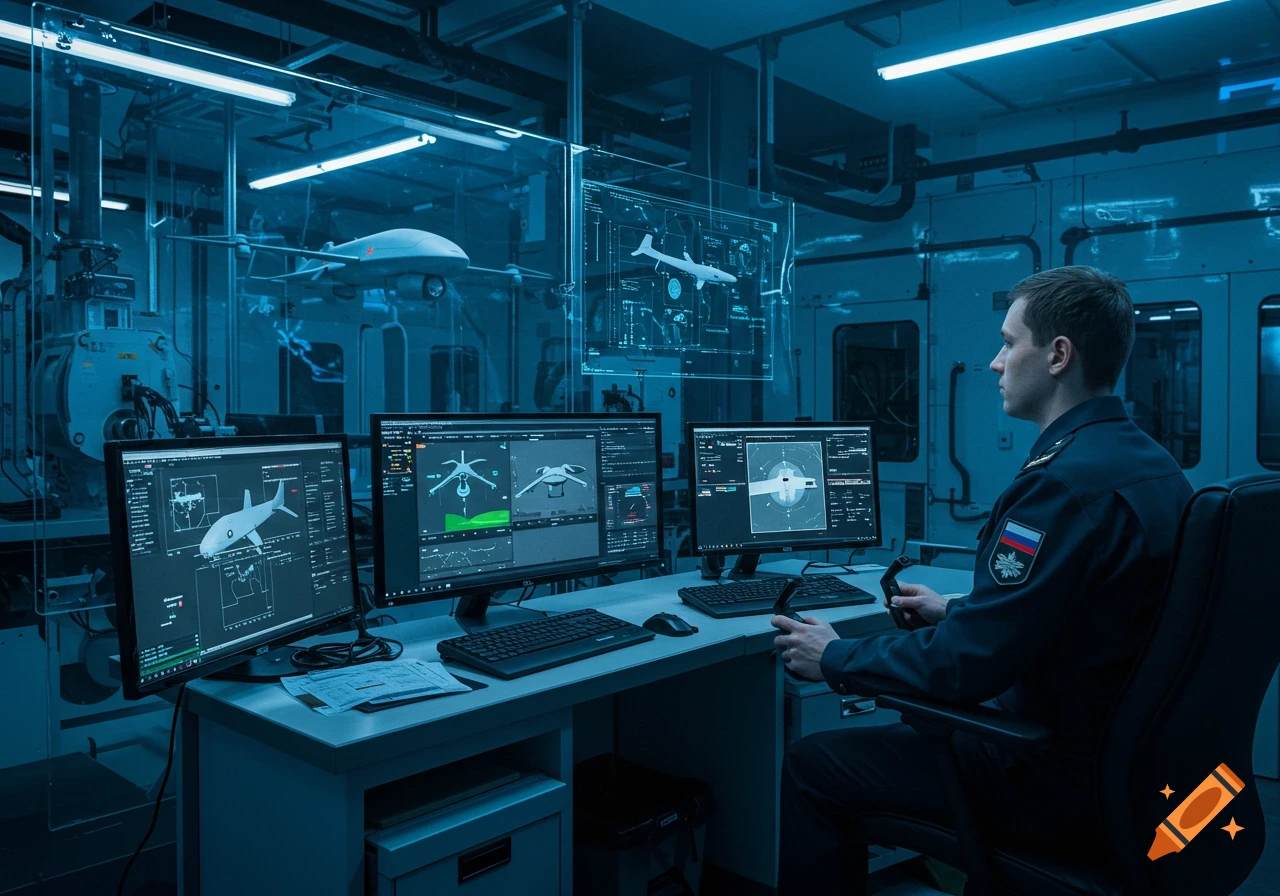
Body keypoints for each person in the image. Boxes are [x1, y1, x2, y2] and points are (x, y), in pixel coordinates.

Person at [771, 266, 1195, 891]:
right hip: (1134, 769)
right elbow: (1098, 616)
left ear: (1057, 355)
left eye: (1007, 342)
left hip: (1051, 777)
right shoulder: (1149, 464)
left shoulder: (1059, 485)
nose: (995, 363)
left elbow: (964, 668)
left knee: (813, 765)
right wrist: (956, 612)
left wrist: (833, 655)